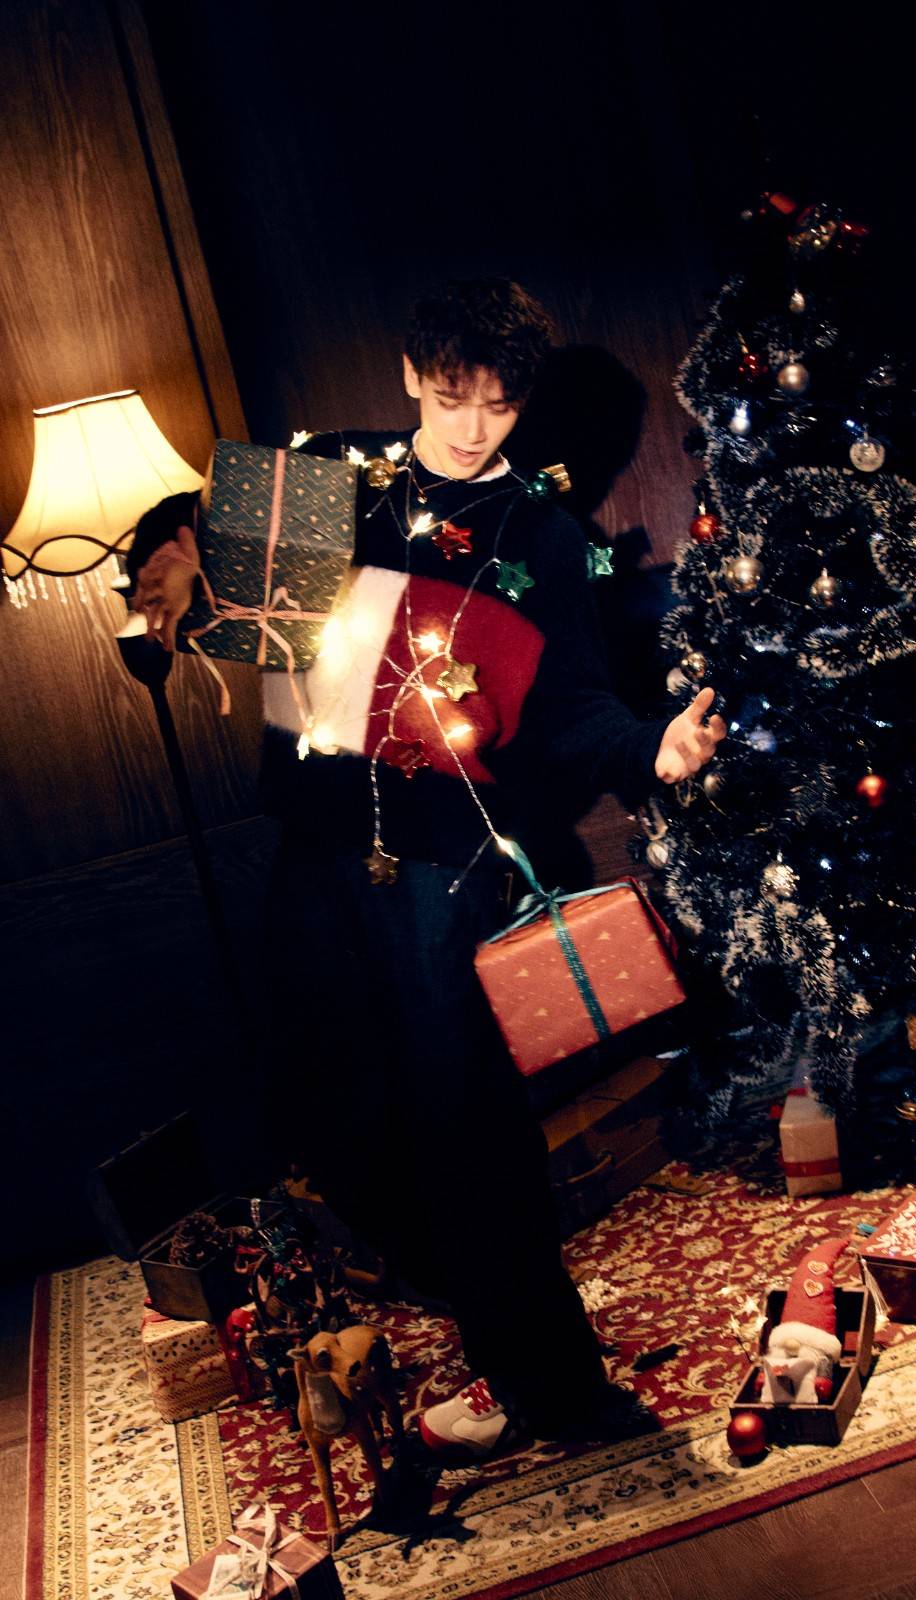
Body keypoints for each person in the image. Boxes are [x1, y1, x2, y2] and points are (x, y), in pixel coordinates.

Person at [132, 277, 725, 1459]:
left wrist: (650, 749)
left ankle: (554, 1385)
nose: (469, 428)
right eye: (451, 398)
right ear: (412, 374)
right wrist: (173, 560)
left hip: (443, 870)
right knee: (326, 1116)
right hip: (316, 851)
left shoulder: (542, 535)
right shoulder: (333, 478)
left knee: (468, 1124)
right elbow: (183, 524)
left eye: (497, 406)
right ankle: (477, 1319)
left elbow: (573, 709)